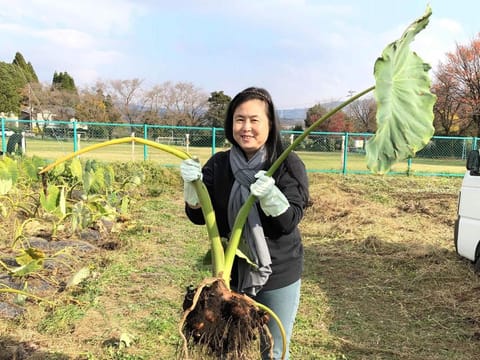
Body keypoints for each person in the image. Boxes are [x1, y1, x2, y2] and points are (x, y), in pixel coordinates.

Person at [180, 86, 309, 359]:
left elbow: (290, 221)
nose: (246, 127)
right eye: (239, 120)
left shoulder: (286, 164)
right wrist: (193, 192)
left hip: (278, 271)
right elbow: (198, 216)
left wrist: (273, 198)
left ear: (270, 124)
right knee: (227, 348)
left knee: (273, 350)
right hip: (230, 276)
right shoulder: (219, 164)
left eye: (254, 120)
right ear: (230, 124)